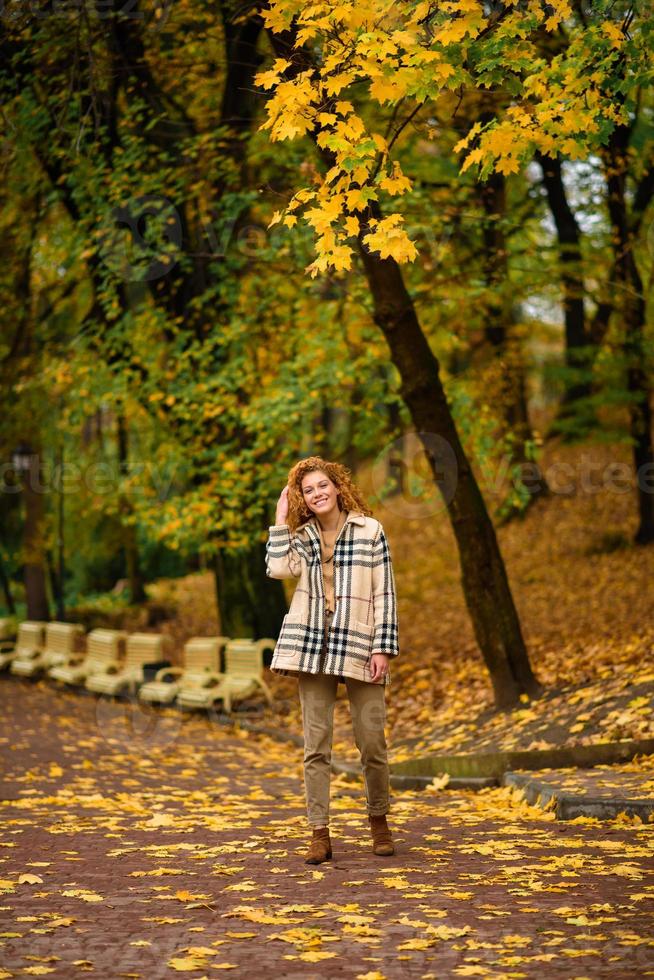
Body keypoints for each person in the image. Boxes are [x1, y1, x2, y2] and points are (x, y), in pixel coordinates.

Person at [265, 456, 399, 864]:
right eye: (308, 490)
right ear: (302, 498)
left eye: (323, 485)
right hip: (313, 648)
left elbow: (384, 593)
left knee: (371, 741)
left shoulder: (369, 530)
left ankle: (379, 821)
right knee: (315, 745)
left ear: (338, 487)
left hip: (359, 643)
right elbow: (277, 569)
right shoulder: (301, 536)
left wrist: (382, 647)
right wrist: (280, 519)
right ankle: (319, 833)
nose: (318, 493)